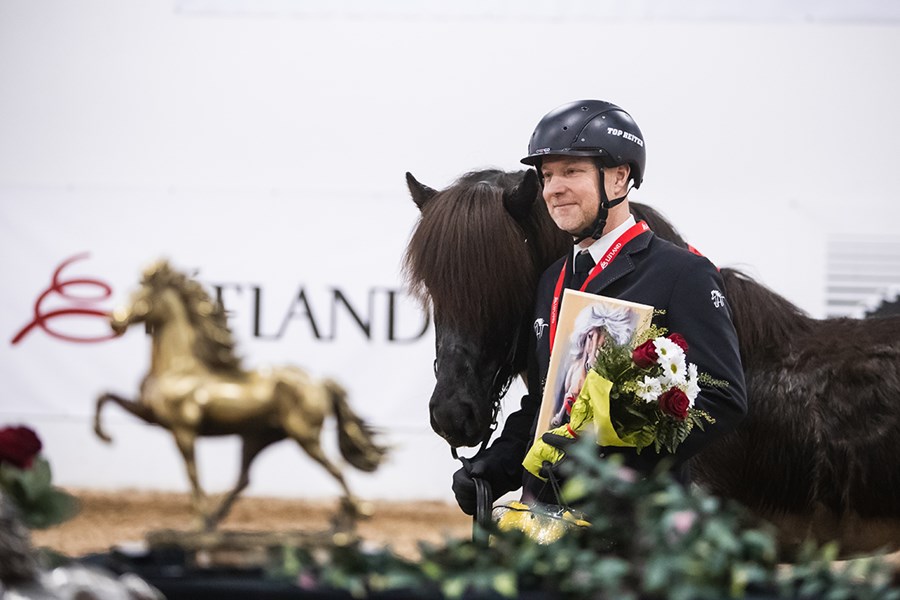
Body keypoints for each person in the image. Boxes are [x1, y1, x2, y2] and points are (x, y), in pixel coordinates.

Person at [452, 99, 748, 513]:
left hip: (635, 525)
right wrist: (494, 467)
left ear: (619, 178)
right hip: (547, 520)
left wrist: (613, 466)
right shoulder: (551, 280)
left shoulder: (683, 273)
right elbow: (548, 403)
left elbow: (723, 399)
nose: (553, 188)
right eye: (548, 175)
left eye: (571, 171)